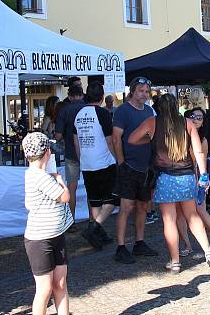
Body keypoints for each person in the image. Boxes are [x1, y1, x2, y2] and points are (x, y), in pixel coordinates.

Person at [128, 94, 210, 273]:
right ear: (177, 106)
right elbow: (199, 151)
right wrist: (204, 175)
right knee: (192, 216)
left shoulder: (152, 122)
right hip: (186, 177)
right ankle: (208, 252)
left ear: (159, 107)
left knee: (169, 221)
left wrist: (150, 139)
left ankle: (175, 262)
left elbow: (131, 139)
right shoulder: (187, 123)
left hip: (165, 178)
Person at [20, 132, 74, 315]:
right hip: (39, 240)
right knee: (45, 288)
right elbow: (64, 197)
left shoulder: (35, 173)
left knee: (59, 284)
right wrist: (60, 179)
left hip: (55, 234)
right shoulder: (39, 177)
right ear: (47, 153)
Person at [112, 77, 159, 263]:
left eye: (147, 91)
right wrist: (121, 162)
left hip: (145, 166)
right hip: (129, 166)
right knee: (126, 207)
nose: (144, 94)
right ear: (132, 91)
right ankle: (121, 246)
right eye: (141, 91)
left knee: (142, 206)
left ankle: (139, 242)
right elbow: (116, 138)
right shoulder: (123, 111)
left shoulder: (149, 111)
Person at [74, 82, 118, 250]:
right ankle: (94, 228)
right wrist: (117, 158)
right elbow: (109, 139)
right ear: (101, 97)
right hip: (104, 161)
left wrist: (81, 159)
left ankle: (98, 232)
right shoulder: (103, 113)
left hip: (87, 163)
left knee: (95, 200)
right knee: (113, 198)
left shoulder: (79, 114)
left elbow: (75, 141)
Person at [177, 108, 210, 259]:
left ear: (204, 121)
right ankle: (187, 244)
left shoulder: (203, 140)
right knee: (179, 212)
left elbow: (200, 164)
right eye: (193, 116)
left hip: (197, 177)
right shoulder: (181, 136)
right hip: (181, 177)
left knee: (200, 210)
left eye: (200, 117)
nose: (196, 119)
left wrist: (202, 182)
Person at [54, 80, 86, 223]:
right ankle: (94, 221)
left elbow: (58, 135)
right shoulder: (88, 108)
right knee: (90, 188)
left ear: (69, 96)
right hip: (88, 154)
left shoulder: (64, 110)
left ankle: (71, 220)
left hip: (71, 154)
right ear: (81, 94)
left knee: (71, 189)